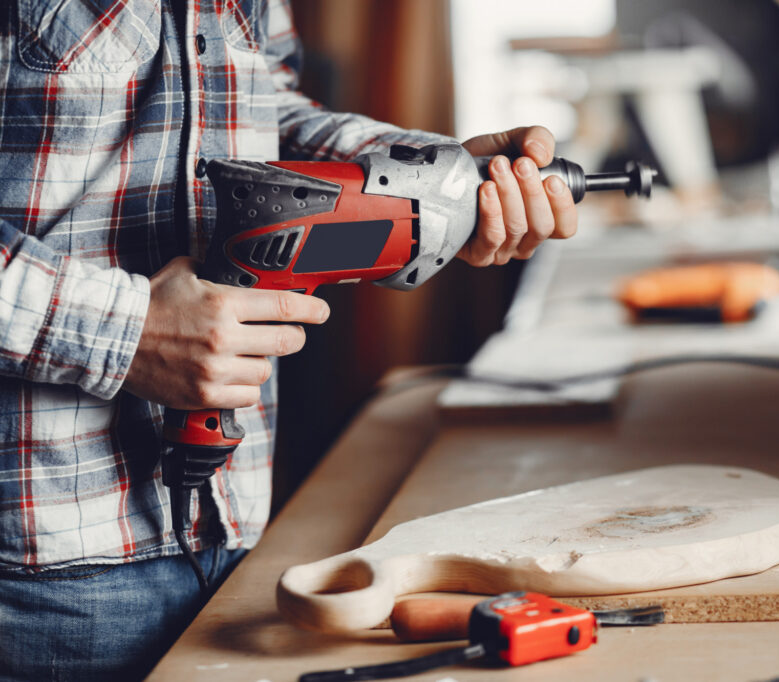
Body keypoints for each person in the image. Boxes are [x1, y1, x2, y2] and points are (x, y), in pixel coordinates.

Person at [0, 2, 577, 680]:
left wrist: (434, 184)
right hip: (42, 567)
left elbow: (256, 108)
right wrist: (125, 331)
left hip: (236, 526)